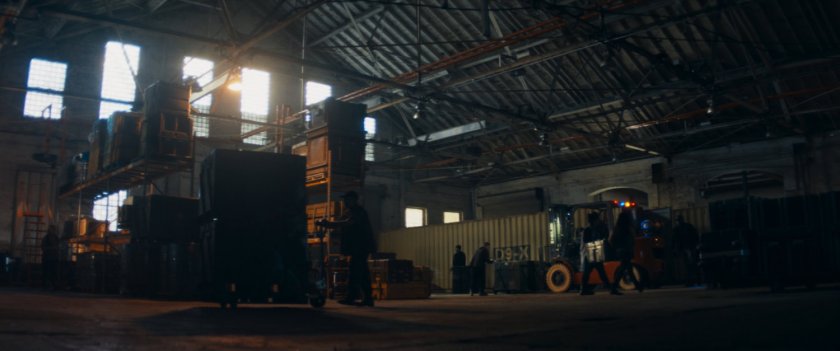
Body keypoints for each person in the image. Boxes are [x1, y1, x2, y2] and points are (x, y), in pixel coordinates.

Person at [316, 191, 376, 307]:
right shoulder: (348, 212)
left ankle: (352, 297)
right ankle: (367, 299)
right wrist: (329, 226)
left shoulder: (359, 212)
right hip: (356, 247)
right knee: (362, 272)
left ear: (354, 199)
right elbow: (340, 223)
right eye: (344, 200)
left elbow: (348, 223)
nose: (345, 202)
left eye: (347, 199)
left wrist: (329, 224)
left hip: (361, 246)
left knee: (355, 271)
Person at [580, 212, 620, 295]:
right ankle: (610, 289)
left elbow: (604, 236)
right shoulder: (588, 230)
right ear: (594, 220)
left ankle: (584, 289)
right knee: (598, 272)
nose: (599, 221)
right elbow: (586, 241)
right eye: (597, 219)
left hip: (594, 253)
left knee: (594, 272)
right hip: (591, 253)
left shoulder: (596, 229)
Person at [609, 211, 643, 294]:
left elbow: (612, 240)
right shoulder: (627, 229)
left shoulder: (618, 229)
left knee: (627, 268)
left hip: (621, 251)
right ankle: (615, 287)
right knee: (624, 268)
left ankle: (637, 286)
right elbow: (631, 240)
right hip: (626, 251)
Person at [673, 215, 700, 286]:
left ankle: (694, 280)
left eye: (678, 220)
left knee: (690, 265)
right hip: (685, 249)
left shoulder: (686, 227)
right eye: (677, 220)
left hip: (689, 248)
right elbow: (675, 240)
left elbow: (695, 235)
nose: (678, 222)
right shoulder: (679, 228)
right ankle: (692, 281)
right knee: (688, 266)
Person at [41, 224, 60, 290]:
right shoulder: (46, 239)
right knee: (47, 272)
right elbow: (43, 248)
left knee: (53, 272)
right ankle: (46, 285)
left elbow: (58, 247)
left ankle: (53, 284)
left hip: (53, 258)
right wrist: (52, 248)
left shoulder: (56, 238)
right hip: (47, 258)